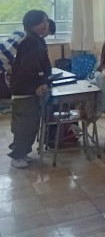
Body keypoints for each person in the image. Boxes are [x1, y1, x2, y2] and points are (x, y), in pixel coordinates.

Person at [7, 10, 51, 169]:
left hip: (30, 90)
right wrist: (39, 82)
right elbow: (29, 67)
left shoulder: (37, 39)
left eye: (46, 21)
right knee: (24, 126)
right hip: (25, 91)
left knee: (31, 125)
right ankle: (17, 156)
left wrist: (44, 79)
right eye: (42, 21)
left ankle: (23, 152)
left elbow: (42, 64)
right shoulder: (30, 41)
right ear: (31, 24)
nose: (46, 24)